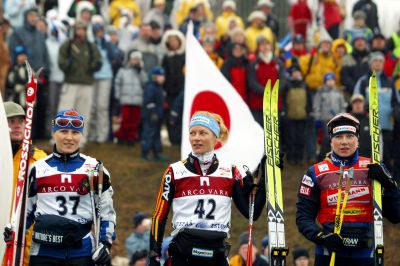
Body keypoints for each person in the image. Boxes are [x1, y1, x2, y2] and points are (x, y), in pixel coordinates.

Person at [148, 111, 266, 266]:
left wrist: (266, 181)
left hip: (215, 255)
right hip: (183, 255)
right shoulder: (174, 171)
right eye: (192, 133)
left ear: (215, 137)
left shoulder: (230, 172)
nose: (196, 138)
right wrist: (154, 256)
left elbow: (252, 213)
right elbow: (159, 216)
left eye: (203, 133)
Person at [296, 113, 400, 266]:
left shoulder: (373, 168)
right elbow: (303, 217)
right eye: (338, 137)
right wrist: (321, 236)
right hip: (329, 253)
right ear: (331, 141)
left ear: (358, 140)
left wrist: (390, 186)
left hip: (366, 254)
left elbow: (396, 215)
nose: (344, 142)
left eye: (349, 136)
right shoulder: (315, 172)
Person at [24, 109, 116, 265]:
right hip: (43, 251)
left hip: (81, 251)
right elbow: (25, 211)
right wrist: (13, 230)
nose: (69, 137)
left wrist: (105, 244)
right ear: (54, 133)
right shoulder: (37, 168)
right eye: (63, 131)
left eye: (75, 132)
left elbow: (106, 213)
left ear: (81, 135)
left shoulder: (95, 168)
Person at [3, 101, 47, 266]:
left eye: (21, 121)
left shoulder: (40, 160)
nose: (17, 126)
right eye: (11, 121)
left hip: (27, 244)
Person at [58, 20, 102, 146]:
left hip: (87, 83)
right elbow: (61, 63)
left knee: (84, 113)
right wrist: (67, 64)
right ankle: (60, 138)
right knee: (65, 112)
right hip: (70, 82)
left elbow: (98, 60)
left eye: (83, 29)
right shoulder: (67, 45)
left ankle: (81, 139)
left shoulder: (90, 46)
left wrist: (94, 65)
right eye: (78, 29)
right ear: (74, 31)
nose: (80, 32)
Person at [114, 50, 147, 145]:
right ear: (129, 60)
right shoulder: (123, 71)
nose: (135, 61)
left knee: (134, 121)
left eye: (137, 59)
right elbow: (117, 83)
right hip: (125, 99)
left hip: (137, 100)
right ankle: (121, 137)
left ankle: (131, 138)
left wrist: (140, 71)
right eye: (134, 59)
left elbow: (145, 83)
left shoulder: (141, 72)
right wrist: (118, 96)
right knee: (125, 120)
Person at [313, 73, 347, 161]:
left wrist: (342, 117)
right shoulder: (320, 92)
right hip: (325, 119)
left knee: (336, 138)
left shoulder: (338, 92)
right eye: (328, 80)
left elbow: (342, 106)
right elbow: (317, 106)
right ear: (325, 82)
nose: (330, 82)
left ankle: (336, 157)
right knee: (325, 139)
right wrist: (317, 118)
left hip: (337, 120)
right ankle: (323, 157)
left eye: (332, 80)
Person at [141, 67, 166, 160]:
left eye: (163, 76)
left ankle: (157, 152)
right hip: (150, 115)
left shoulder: (159, 87)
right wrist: (152, 113)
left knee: (156, 134)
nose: (163, 78)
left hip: (158, 115)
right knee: (148, 133)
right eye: (160, 76)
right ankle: (145, 153)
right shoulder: (151, 87)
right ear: (154, 76)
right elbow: (148, 101)